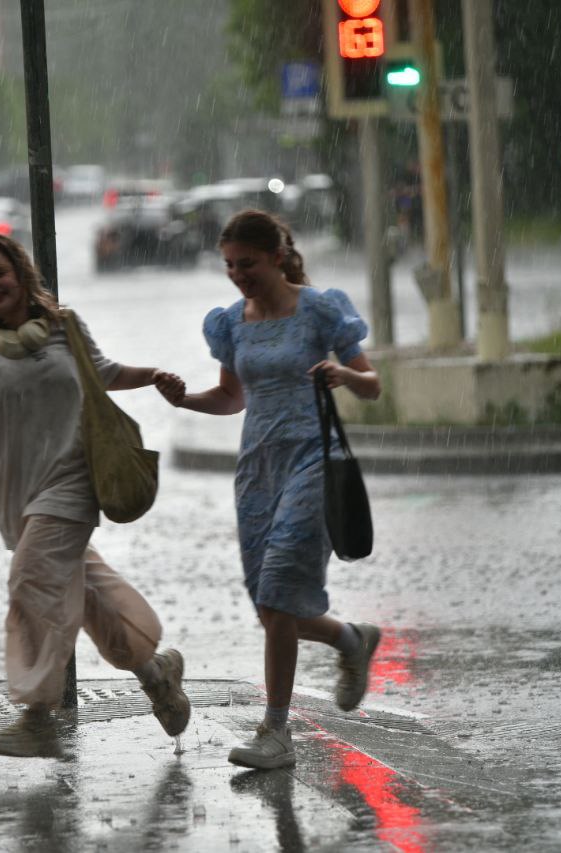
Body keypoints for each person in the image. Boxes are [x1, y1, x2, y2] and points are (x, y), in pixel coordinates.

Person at [0, 232, 190, 758]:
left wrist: (155, 377)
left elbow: (103, 374)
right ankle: (156, 674)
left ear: (21, 274)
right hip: (17, 496)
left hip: (73, 480)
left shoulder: (64, 329)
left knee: (32, 579)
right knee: (91, 599)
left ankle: (36, 714)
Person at [154, 210, 383, 770]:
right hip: (258, 469)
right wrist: (182, 399)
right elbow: (233, 398)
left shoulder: (320, 310)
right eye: (230, 265)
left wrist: (342, 374)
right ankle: (352, 640)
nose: (238, 275)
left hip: (314, 459)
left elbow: (372, 384)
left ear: (277, 256)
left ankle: (275, 733)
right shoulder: (230, 323)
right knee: (270, 608)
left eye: (248, 264)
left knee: (280, 591)